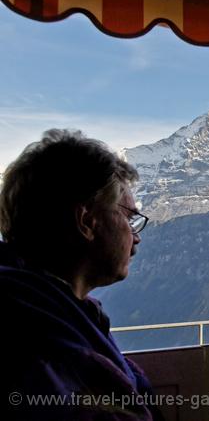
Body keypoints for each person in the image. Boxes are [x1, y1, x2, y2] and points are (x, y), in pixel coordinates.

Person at [0, 129, 161, 420]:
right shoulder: (38, 341)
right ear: (87, 221)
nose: (135, 237)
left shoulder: (48, 308)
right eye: (128, 217)